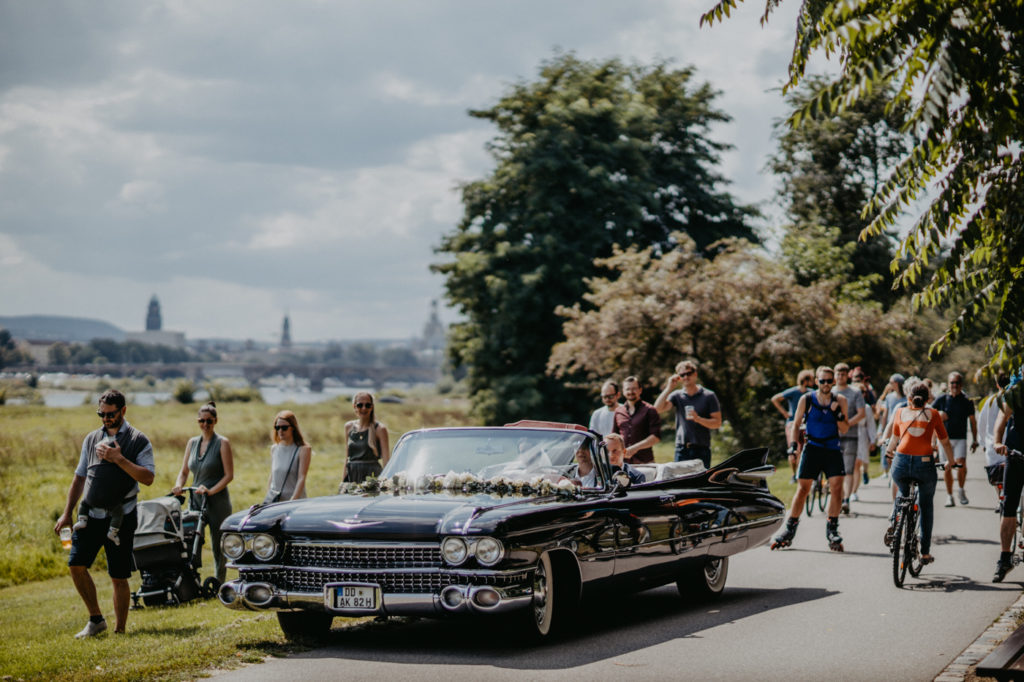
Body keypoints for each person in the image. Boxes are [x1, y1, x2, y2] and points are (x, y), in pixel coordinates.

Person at [53, 390, 155, 638]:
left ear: (123, 410)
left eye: (111, 414)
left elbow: (148, 478)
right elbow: (79, 477)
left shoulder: (138, 440)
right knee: (76, 564)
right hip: (90, 516)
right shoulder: (91, 439)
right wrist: (67, 513)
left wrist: (119, 459)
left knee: (118, 575)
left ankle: (120, 630)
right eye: (102, 414)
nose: (106, 419)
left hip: (121, 517)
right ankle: (96, 620)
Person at [771, 366, 849, 552]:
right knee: (803, 488)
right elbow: (796, 423)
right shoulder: (806, 399)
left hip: (832, 448)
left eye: (830, 381)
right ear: (816, 381)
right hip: (812, 447)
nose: (826, 384)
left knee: (836, 488)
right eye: (822, 380)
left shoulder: (840, 400)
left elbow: (845, 429)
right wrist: (792, 446)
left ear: (833, 382)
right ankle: (789, 530)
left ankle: (832, 530)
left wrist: (837, 413)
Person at [883, 382, 959, 566]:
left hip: (900, 462)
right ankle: (924, 553)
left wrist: (889, 452)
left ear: (909, 397)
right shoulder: (933, 414)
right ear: (928, 399)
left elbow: (894, 438)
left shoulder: (900, 412)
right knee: (926, 506)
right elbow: (945, 442)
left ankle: (896, 519)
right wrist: (951, 462)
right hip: (924, 464)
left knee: (902, 491)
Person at [171, 401, 234, 584]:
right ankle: (191, 581)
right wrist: (178, 486)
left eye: (209, 421)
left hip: (217, 501)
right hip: (196, 499)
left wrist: (211, 491)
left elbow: (229, 475)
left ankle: (219, 583)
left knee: (217, 545)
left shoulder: (223, 443)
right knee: (191, 540)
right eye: (201, 421)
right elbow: (184, 472)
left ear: (215, 421)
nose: (205, 424)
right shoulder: (192, 443)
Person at [653, 360, 722, 468]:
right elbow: (657, 409)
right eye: (682, 375)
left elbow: (717, 423)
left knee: (701, 483)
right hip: (682, 448)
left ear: (695, 374)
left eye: (688, 373)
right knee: (681, 483)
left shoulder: (709, 395)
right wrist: (669, 388)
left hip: (702, 448)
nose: (686, 377)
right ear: (679, 378)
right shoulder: (677, 395)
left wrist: (698, 419)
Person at [932, 371, 979, 507]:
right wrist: (939, 415)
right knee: (947, 467)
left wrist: (975, 439)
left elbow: (972, 421)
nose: (954, 385)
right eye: (952, 383)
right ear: (948, 384)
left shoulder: (966, 401)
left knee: (961, 464)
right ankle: (949, 495)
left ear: (961, 384)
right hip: (944, 439)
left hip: (960, 438)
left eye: (957, 383)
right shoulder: (942, 399)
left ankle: (961, 490)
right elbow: (930, 415)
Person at [992, 381, 1023, 582]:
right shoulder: (1016, 393)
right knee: (1009, 506)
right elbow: (1002, 419)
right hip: (1016, 455)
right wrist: (997, 441)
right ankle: (1005, 557)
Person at [770, 369, 815, 483]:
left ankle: (800, 473)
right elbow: (775, 399)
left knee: (802, 449)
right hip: (792, 424)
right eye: (811, 379)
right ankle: (793, 474)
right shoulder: (793, 392)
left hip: (805, 424)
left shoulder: (811, 392)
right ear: (805, 380)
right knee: (792, 450)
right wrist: (785, 413)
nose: (813, 381)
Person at [833, 363, 867, 514]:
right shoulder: (830, 391)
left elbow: (861, 413)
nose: (840, 377)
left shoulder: (855, 392)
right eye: (838, 374)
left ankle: (846, 498)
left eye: (843, 374)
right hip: (832, 437)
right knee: (835, 470)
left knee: (848, 469)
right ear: (835, 375)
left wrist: (846, 424)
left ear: (847, 375)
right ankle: (837, 498)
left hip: (851, 436)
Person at [264, 411, 311, 504]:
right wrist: (269, 497)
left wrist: (292, 501)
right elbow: (272, 476)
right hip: (275, 501)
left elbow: (302, 478)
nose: (280, 431)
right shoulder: (274, 448)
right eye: (277, 427)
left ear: (293, 428)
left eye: (284, 428)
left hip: (294, 501)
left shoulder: (303, 450)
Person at [342, 392, 390, 483]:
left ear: (372, 407)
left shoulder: (380, 429)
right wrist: (343, 483)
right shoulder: (348, 427)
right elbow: (347, 458)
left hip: (372, 477)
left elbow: (386, 461)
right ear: (354, 406)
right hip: (352, 476)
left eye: (368, 405)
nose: (364, 408)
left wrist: (385, 483)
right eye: (360, 405)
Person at [613, 376, 661, 465]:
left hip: (645, 462)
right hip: (623, 463)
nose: (631, 392)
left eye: (634, 389)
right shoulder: (618, 411)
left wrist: (635, 448)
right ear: (623, 391)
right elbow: (615, 436)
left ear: (640, 390)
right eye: (627, 389)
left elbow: (656, 437)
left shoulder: (650, 410)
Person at [848, 379, 877, 502]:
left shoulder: (867, 408)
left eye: (863, 392)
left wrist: (872, 441)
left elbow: (870, 425)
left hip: (861, 436)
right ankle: (846, 491)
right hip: (847, 435)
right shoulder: (846, 405)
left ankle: (853, 491)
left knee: (856, 465)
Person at [876, 373, 907, 478]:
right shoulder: (889, 397)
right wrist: (881, 428)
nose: (889, 385)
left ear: (897, 383)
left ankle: (896, 470)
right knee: (886, 448)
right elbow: (885, 415)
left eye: (891, 382)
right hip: (890, 426)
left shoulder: (906, 398)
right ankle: (886, 470)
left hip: (902, 428)